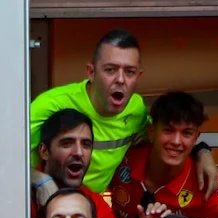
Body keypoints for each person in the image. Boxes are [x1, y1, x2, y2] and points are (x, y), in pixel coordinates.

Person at [107, 91, 218, 218]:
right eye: (168, 130)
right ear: (151, 131)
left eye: (187, 133)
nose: (177, 141)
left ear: (196, 137)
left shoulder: (205, 181)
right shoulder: (123, 158)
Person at [28, 29, 148, 192]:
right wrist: (39, 180)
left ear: (138, 77)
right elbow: (3, 156)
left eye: (130, 72)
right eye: (110, 70)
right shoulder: (50, 105)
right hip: (38, 199)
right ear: (91, 72)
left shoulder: (137, 110)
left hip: (91, 202)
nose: (120, 79)